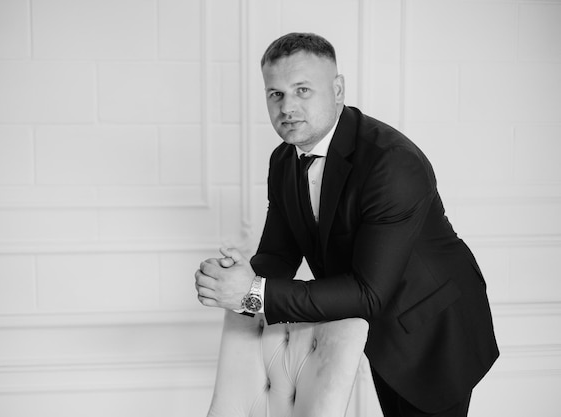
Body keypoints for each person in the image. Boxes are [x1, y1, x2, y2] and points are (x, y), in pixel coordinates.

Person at [195, 32, 498, 417]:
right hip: (375, 324)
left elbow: (369, 293)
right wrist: (231, 280)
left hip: (432, 328)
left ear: (337, 89)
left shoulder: (392, 163)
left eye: (303, 90)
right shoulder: (283, 161)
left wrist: (252, 293)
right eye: (276, 94)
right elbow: (277, 255)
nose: (287, 107)